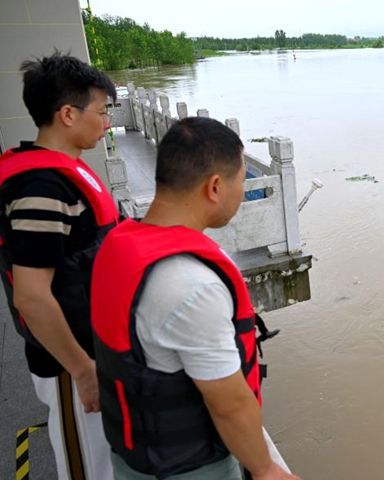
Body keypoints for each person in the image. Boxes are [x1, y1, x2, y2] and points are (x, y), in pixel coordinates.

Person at [91, 117, 301, 480]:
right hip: (189, 468)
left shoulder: (117, 246)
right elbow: (229, 404)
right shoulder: (191, 286)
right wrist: (266, 469)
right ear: (215, 187)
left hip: (134, 460)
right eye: (241, 180)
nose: (242, 190)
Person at [0, 52, 118, 479]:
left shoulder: (63, 174)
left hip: (91, 345)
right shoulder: (41, 188)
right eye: (102, 112)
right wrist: (82, 369)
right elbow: (31, 296)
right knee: (87, 464)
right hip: (70, 359)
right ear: (68, 114)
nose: (107, 123)